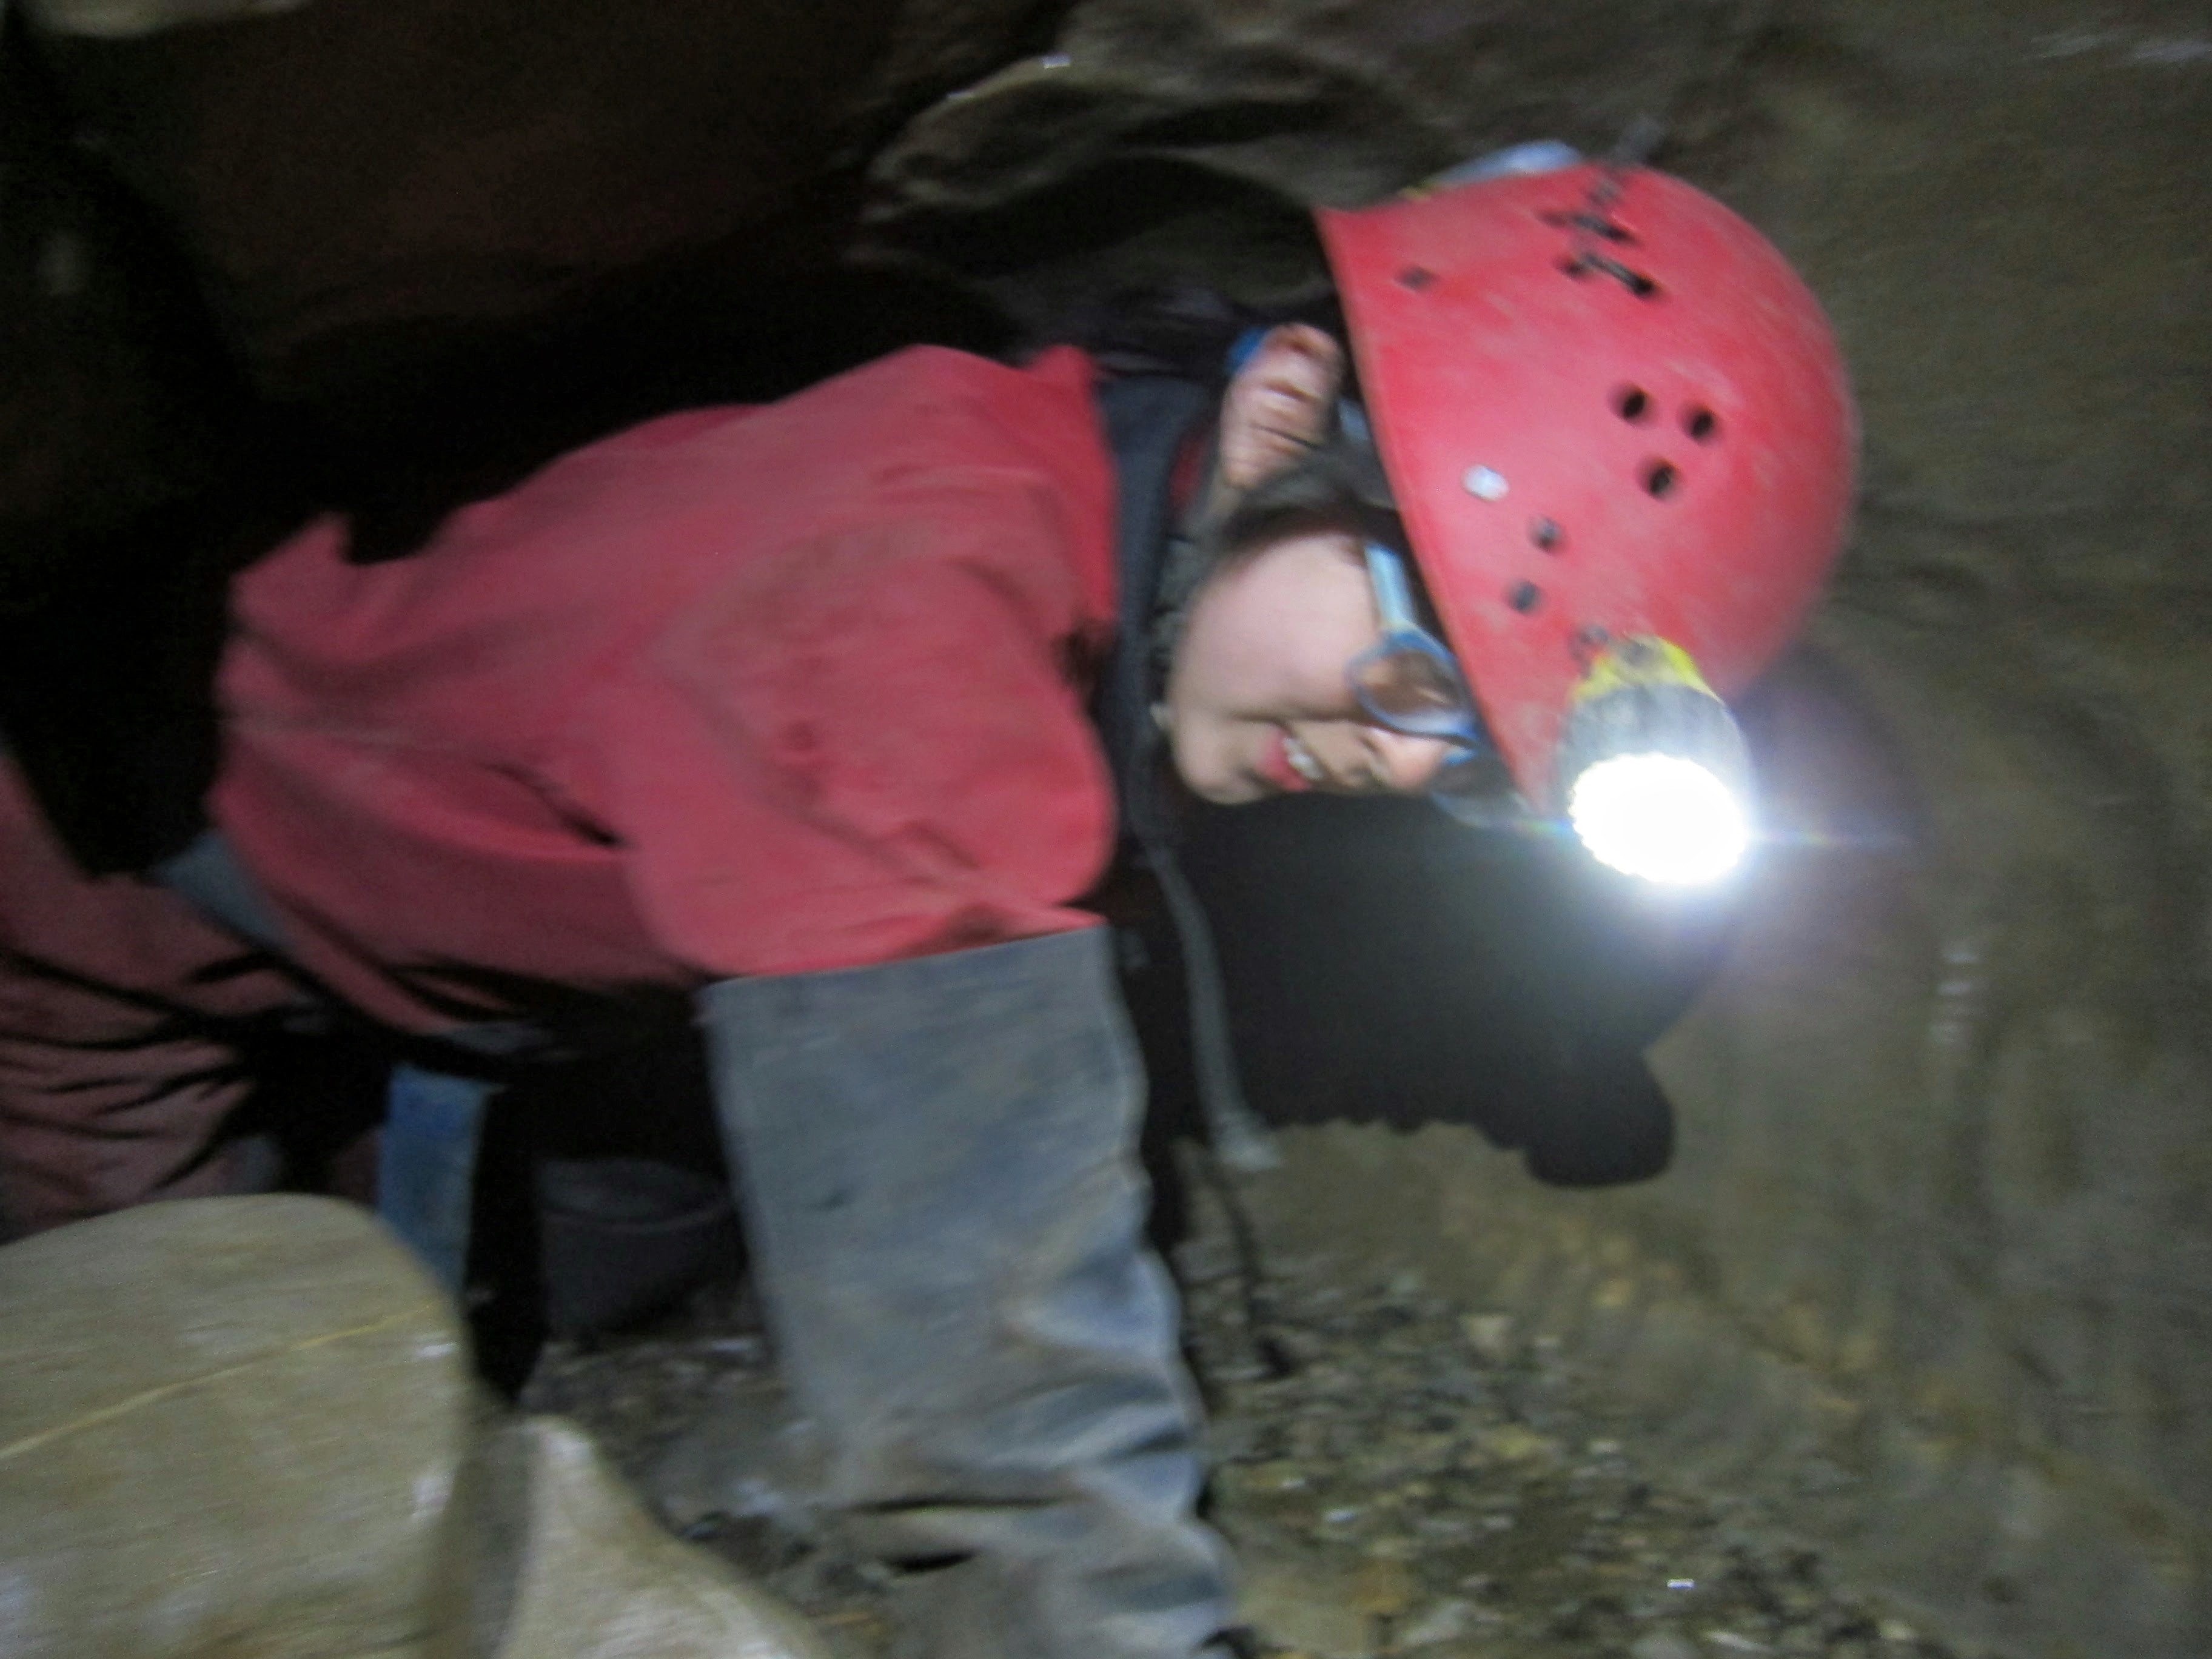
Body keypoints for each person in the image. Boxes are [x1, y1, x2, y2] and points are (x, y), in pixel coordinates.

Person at [0, 148, 1854, 1659]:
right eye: (1414, 672)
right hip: (99, 922)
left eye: (1462, 757)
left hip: (490, 960)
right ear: (1287, 406)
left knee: (583, 1304)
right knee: (242, 1496)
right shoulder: (915, 602)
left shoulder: (1087, 507)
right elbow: (993, 1382)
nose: (1389, 758)